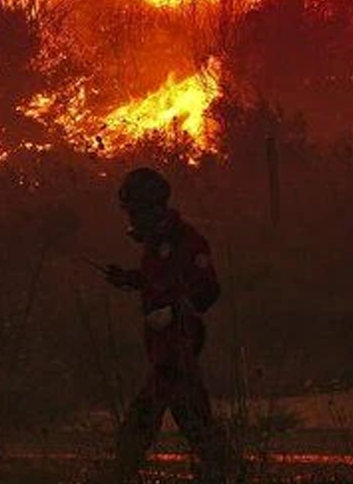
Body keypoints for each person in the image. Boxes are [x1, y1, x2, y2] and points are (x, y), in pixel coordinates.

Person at [101, 167, 230, 484]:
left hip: (178, 353)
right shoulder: (154, 245)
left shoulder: (187, 241)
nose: (132, 219)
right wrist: (130, 280)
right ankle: (229, 473)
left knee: (138, 428)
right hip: (163, 353)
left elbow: (207, 291)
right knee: (197, 427)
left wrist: (173, 312)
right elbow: (158, 284)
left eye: (135, 211)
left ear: (154, 208)